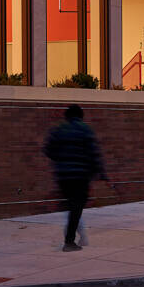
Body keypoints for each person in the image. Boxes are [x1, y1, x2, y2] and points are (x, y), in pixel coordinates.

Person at [43, 104, 108, 251]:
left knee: (72, 206)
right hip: (80, 175)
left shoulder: (58, 130)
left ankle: (74, 237)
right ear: (81, 116)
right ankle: (69, 241)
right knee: (76, 207)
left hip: (63, 175)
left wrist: (61, 160)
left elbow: (48, 150)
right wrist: (100, 173)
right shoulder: (85, 130)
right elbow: (94, 153)